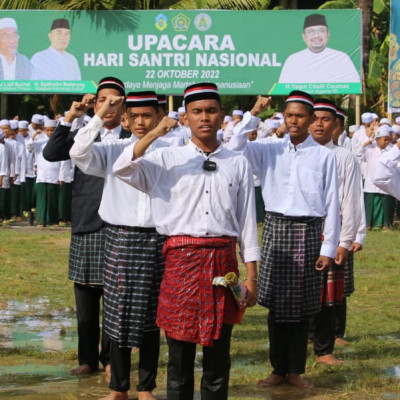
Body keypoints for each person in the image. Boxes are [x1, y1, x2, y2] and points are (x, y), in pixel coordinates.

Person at [113, 82, 260, 400]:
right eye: (196, 111)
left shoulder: (237, 162)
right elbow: (122, 168)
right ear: (186, 118)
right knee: (179, 355)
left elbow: (247, 222)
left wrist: (252, 276)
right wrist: (154, 134)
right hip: (180, 261)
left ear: (221, 116)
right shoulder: (166, 158)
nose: (204, 117)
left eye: (210, 111)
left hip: (224, 262)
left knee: (219, 353)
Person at [227, 90, 340, 388]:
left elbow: (332, 204)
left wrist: (328, 247)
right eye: (289, 115)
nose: (293, 121)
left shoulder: (325, 157)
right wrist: (253, 113)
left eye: (300, 116)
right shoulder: (268, 148)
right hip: (276, 228)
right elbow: (235, 146)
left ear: (311, 119)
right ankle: (277, 368)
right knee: (277, 306)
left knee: (302, 307)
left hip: (308, 231)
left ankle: (295, 371)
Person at [70, 90, 178, 400]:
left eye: (148, 116)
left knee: (151, 316)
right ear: (126, 120)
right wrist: (102, 110)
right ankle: (118, 387)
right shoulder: (112, 148)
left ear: (158, 117)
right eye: (136, 116)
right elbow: (78, 153)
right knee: (117, 314)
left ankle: (146, 387)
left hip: (158, 238)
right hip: (119, 237)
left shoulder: (172, 151)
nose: (142, 122)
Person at [42, 77, 131, 376]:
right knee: (85, 293)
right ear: (93, 104)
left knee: (117, 296)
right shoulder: (82, 133)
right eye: (102, 100)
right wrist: (70, 117)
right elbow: (51, 154)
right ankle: (86, 359)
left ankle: (110, 360)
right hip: (87, 219)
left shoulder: (133, 136)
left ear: (123, 106)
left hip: (121, 221)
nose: (108, 107)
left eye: (114, 101)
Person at [309, 99, 362, 365]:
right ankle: (295, 350)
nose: (319, 124)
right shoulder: (295, 152)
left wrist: (346, 240)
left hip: (331, 232)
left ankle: (324, 349)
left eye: (325, 119)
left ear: (335, 125)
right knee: (300, 293)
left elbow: (351, 200)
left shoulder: (344, 157)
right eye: (314, 118)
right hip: (301, 231)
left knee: (328, 297)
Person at [278, 14, 360, 84]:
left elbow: (354, 84)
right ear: (303, 36)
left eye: (321, 31)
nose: (316, 35)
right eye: (311, 31)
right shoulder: (293, 60)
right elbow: (283, 86)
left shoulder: (342, 58)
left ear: (328, 34)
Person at [355, 125, 393, 230]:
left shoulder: (390, 150)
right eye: (385, 140)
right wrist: (366, 143)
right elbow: (357, 154)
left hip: (385, 184)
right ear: (377, 140)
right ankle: (368, 225)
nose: (386, 142)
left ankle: (386, 224)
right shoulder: (369, 150)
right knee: (370, 205)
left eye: (388, 140)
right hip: (371, 183)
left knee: (385, 204)